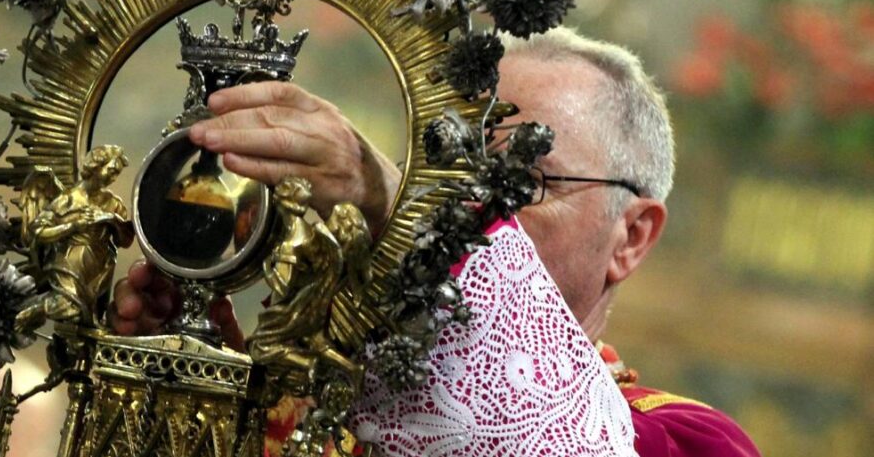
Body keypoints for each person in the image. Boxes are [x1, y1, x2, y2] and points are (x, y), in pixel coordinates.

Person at [111, 27, 761, 456]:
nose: (463, 204)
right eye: (443, 171)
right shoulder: (301, 407)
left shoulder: (688, 440)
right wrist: (201, 393)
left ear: (632, 235)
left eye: (518, 180)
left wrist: (392, 197)